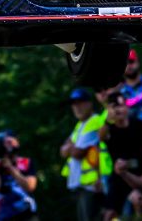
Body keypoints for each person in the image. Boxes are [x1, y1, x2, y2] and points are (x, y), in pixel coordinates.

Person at [100, 92, 142, 219]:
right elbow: (101, 137)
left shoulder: (140, 126)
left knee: (139, 204)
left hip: (140, 175)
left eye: (121, 105)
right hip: (118, 179)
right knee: (109, 214)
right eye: (114, 107)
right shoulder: (109, 130)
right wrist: (108, 120)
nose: (118, 110)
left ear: (127, 107)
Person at [61, 88, 109, 221]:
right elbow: (63, 150)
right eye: (74, 104)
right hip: (81, 185)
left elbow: (77, 152)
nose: (77, 107)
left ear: (90, 103)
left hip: (92, 185)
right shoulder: (80, 125)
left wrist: (70, 148)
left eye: (80, 103)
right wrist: (69, 148)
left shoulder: (95, 121)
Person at [0, 130, 39, 220]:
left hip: (26, 213)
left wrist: (11, 168)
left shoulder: (25, 162)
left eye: (9, 142)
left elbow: (30, 186)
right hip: (4, 215)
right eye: (4, 143)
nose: (7, 146)